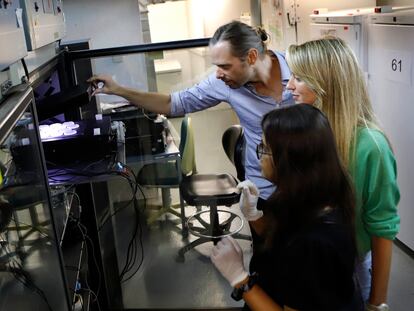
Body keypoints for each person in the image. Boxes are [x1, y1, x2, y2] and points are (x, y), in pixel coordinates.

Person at [87, 20, 294, 200]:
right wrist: (119, 90)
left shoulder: (299, 69)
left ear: (250, 58)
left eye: (225, 66)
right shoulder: (223, 83)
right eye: (217, 66)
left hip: (308, 185)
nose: (219, 74)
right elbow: (173, 103)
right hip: (261, 189)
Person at [285, 37, 400, 311]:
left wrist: (377, 302)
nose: (289, 86)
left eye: (299, 78)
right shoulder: (312, 132)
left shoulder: (371, 146)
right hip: (311, 255)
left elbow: (383, 229)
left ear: (327, 83)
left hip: (348, 264)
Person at [211, 104, 362, 311]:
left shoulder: (312, 243)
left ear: (289, 160)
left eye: (265, 149)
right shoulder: (312, 198)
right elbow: (283, 242)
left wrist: (240, 279)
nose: (259, 157)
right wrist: (253, 214)